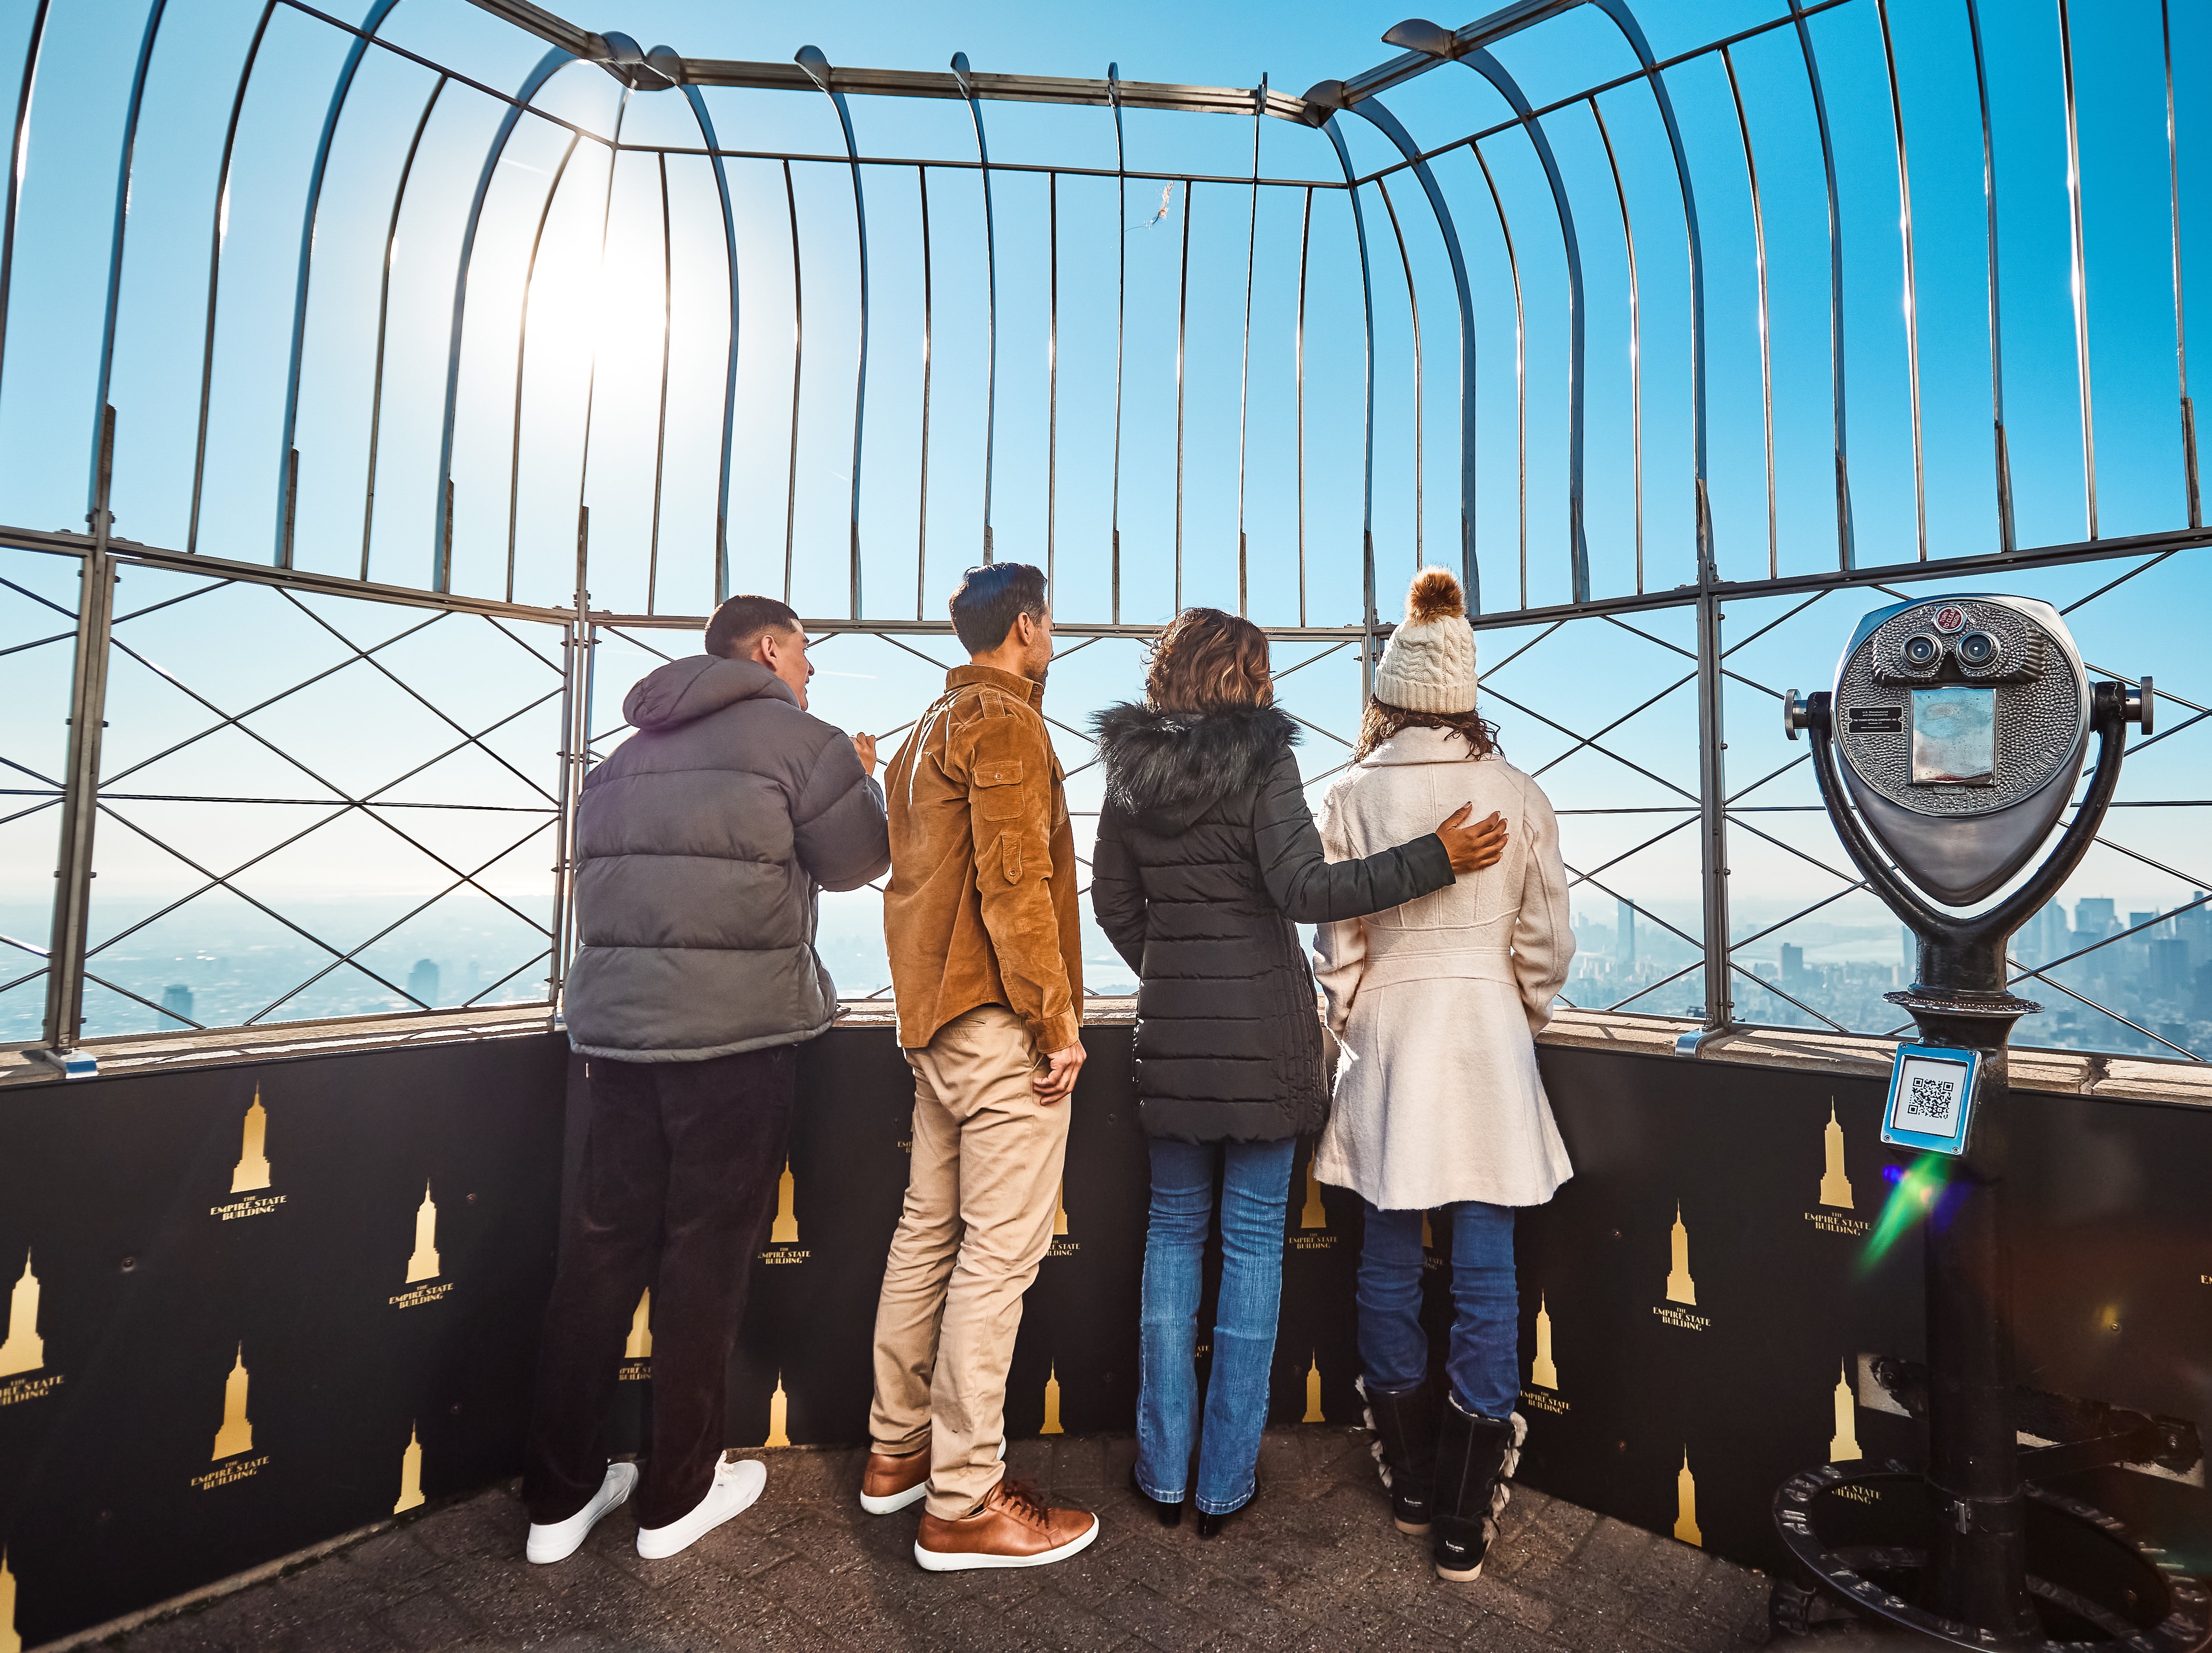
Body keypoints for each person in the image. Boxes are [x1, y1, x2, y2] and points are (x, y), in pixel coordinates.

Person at [1089, 608, 1508, 1540]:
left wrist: (1172, 968)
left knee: (1172, 1240)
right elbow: (1307, 891)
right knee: (1251, 1247)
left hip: (1174, 1036)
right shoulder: (1263, 760)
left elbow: (1113, 901)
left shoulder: (1129, 771)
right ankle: (1224, 1484)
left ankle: (1162, 1474)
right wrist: (1436, 859)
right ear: (1242, 676)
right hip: (1264, 1040)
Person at [524, 594, 888, 1564]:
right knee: (704, 1265)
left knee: (597, 1261)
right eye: (805, 653)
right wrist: (864, 780)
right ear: (768, 649)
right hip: (734, 1043)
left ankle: (557, 1502)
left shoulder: (619, 759)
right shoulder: (806, 742)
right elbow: (858, 862)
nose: (810, 671)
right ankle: (676, 1497)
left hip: (611, 1042)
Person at [1310, 567, 1574, 1584]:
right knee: (1486, 1273)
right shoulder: (1518, 793)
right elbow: (1546, 944)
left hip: (1388, 1036)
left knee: (1385, 1261)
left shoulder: (1348, 793)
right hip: (1488, 1038)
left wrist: (1355, 1023)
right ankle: (1466, 1515)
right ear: (1465, 691)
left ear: (1389, 690)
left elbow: (1339, 946)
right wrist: (1514, 1015)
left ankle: (1413, 1483)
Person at [862, 562, 1101, 1571]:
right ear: (1029, 628)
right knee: (997, 1262)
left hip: (934, 1026)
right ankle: (961, 1503)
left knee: (927, 1236)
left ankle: (897, 1453)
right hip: (1001, 1024)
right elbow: (1015, 885)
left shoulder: (924, 730)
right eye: (1050, 623)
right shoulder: (1005, 726)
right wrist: (1056, 1022)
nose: (1054, 637)